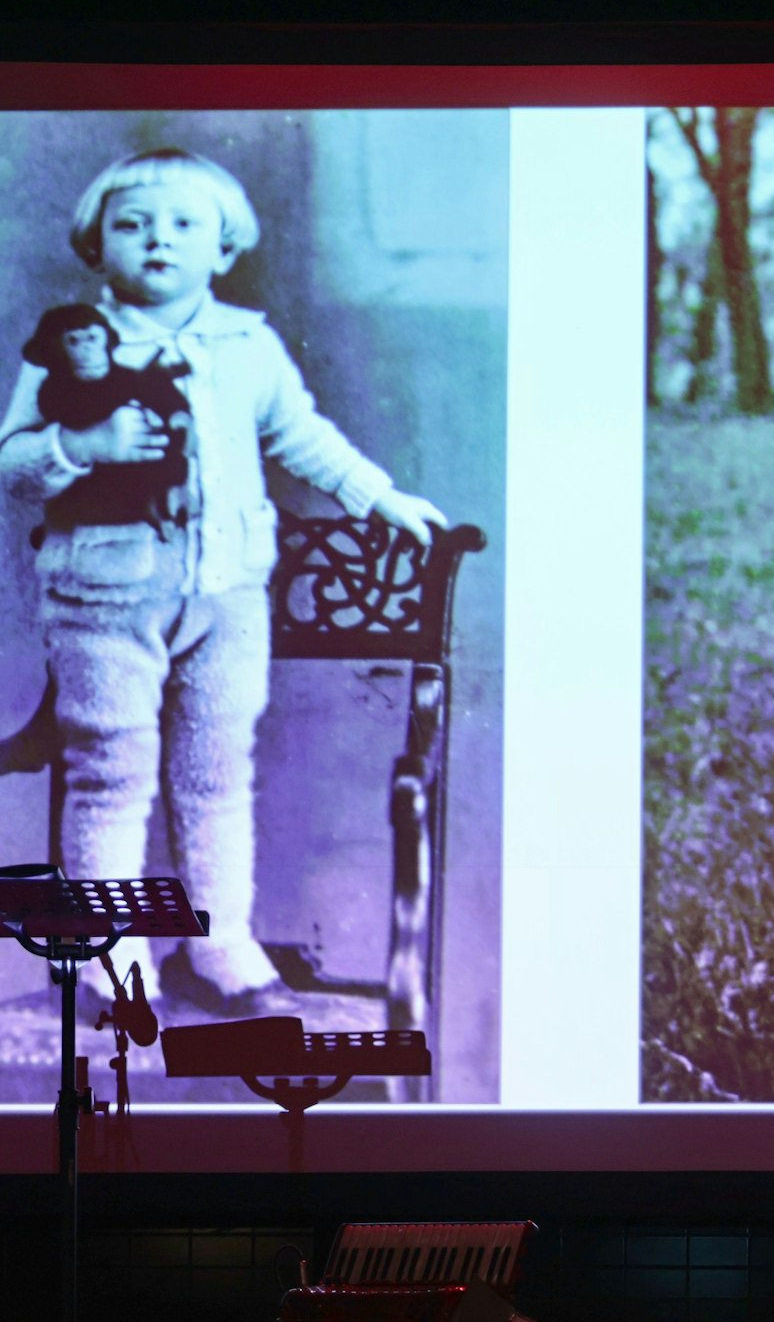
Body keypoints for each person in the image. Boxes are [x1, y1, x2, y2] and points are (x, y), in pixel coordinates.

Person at [0, 148, 445, 1015]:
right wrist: (81, 450)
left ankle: (220, 946)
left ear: (224, 247)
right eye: (130, 226)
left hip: (229, 594)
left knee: (216, 775)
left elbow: (301, 435)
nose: (156, 242)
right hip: (105, 595)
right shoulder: (67, 347)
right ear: (97, 248)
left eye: (182, 226)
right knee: (110, 773)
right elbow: (11, 460)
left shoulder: (248, 346)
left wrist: (378, 497)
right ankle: (108, 958)